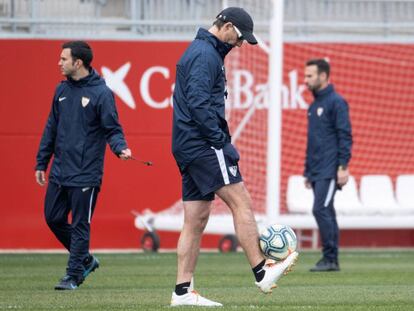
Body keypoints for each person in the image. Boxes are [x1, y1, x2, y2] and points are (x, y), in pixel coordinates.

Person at [171, 7, 298, 307]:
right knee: (240, 201)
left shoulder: (202, 51)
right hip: (203, 143)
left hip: (188, 145)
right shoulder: (204, 55)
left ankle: (182, 292)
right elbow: (200, 105)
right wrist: (220, 143)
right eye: (239, 38)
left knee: (195, 219)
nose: (240, 45)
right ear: (226, 26)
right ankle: (261, 271)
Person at [35, 41, 132, 290]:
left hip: (86, 173)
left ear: (78, 63)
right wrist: (41, 162)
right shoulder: (61, 91)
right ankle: (86, 259)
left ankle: (73, 275)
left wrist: (120, 147)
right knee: (53, 218)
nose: (59, 63)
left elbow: (113, 129)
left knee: (80, 225)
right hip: (60, 171)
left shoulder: (101, 93)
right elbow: (51, 128)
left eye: (64, 59)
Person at [303, 58, 353, 272]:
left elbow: (345, 136)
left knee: (321, 209)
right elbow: (313, 140)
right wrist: (307, 170)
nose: (305, 80)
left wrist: (343, 166)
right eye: (305, 76)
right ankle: (331, 259)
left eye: (310, 76)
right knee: (327, 211)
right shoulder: (314, 105)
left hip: (330, 168)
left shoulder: (336, 102)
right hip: (316, 169)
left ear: (323, 76)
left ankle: (330, 258)